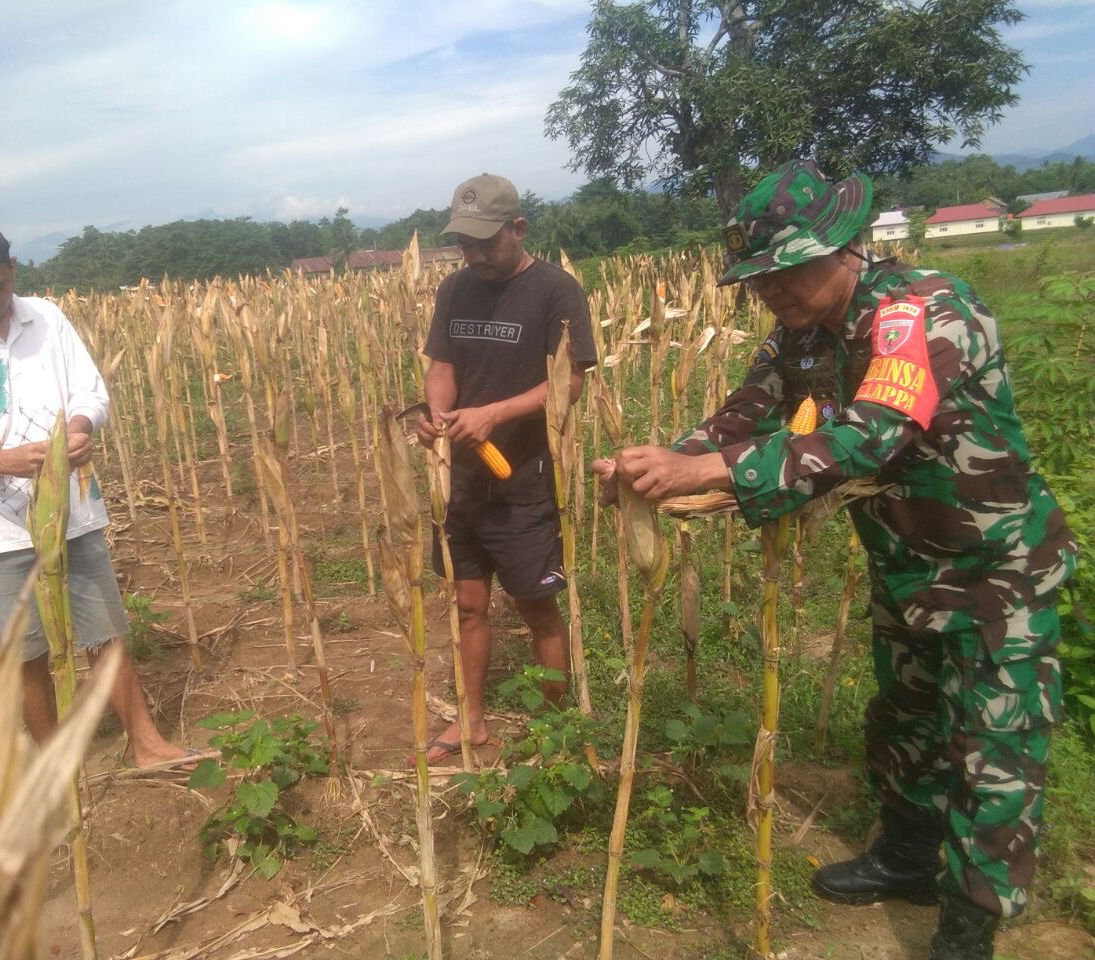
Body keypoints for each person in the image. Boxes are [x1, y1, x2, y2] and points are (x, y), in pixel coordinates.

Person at [595, 160, 1077, 960]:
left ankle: (968, 928)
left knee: (991, 751)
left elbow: (869, 437)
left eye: (790, 268)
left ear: (847, 245)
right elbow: (742, 417)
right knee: (906, 721)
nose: (774, 289)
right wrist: (657, 463)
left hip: (994, 571)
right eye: (760, 277)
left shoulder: (921, 314)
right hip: (908, 566)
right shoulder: (803, 337)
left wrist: (710, 473)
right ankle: (909, 858)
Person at [0, 220, 195, 769]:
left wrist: (80, 427)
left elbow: (89, 392)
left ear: (14, 270)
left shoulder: (49, 318)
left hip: (73, 507)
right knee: (28, 647)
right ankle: (55, 762)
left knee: (105, 630)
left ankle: (146, 743)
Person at [415, 173, 597, 765]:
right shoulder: (455, 290)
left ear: (518, 228)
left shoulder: (556, 291)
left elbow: (569, 382)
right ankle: (471, 720)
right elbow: (442, 363)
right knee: (467, 604)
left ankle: (552, 729)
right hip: (461, 478)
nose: (474, 256)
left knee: (536, 606)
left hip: (524, 478)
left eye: (485, 243)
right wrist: (436, 415)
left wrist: (494, 413)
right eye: (464, 245)